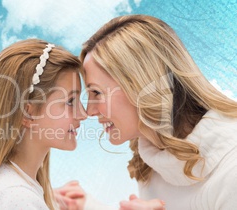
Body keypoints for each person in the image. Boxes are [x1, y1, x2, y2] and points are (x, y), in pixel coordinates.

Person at [59, 14, 237, 210]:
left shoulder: (231, 168)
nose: (89, 111)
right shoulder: (152, 162)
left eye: (96, 92)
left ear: (139, 87)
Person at [0, 39, 87, 209]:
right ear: (28, 112)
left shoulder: (7, 189)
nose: (83, 114)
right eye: (70, 101)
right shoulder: (18, 197)